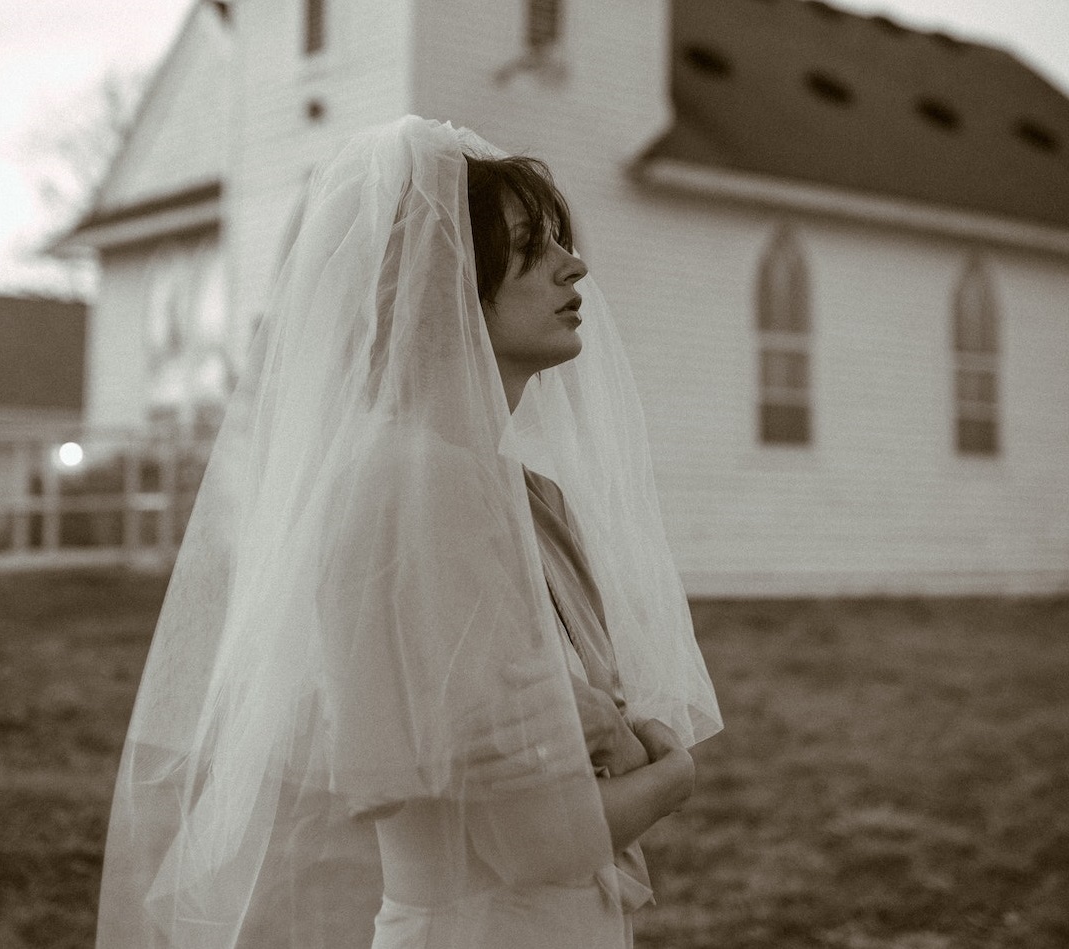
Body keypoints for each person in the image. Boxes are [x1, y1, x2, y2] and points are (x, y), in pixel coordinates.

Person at [95, 116, 721, 949]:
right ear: (448, 279)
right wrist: (673, 774)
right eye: (533, 243)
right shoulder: (425, 486)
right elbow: (534, 839)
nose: (575, 266)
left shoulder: (513, 493)